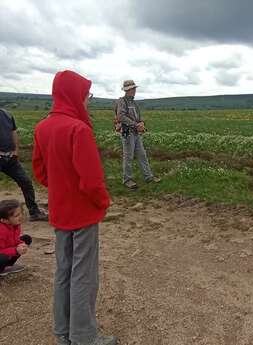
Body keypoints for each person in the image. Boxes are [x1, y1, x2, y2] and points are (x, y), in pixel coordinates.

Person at [32, 70, 117, 345]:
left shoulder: (42, 127)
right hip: (82, 213)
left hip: (60, 211)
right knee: (84, 274)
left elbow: (40, 171)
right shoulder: (79, 129)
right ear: (74, 95)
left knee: (63, 271)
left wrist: (60, 187)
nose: (88, 100)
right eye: (86, 95)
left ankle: (63, 332)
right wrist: (103, 202)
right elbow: (92, 181)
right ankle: (84, 336)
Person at [0, 108, 48, 221]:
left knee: (25, 182)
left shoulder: (6, 114)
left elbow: (13, 132)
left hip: (10, 158)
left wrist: (16, 151)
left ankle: (34, 212)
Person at [116, 79, 160, 189]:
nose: (134, 90)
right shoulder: (122, 101)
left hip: (136, 133)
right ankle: (127, 180)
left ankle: (148, 177)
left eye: (134, 88)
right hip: (127, 133)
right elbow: (120, 117)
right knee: (128, 157)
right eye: (133, 89)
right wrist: (136, 125)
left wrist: (141, 123)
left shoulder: (134, 103)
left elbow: (138, 117)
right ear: (128, 90)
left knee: (142, 155)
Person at [0, 199, 32, 277]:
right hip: (2, 252)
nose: (20, 216)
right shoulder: (1, 230)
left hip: (6, 249)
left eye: (20, 213)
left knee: (26, 239)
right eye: (16, 215)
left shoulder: (15, 225)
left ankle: (7, 266)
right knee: (3, 257)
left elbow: (15, 240)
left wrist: (21, 244)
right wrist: (16, 250)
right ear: (4, 220)